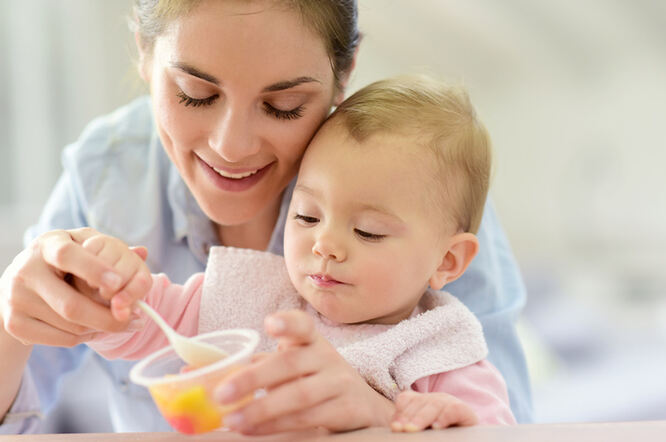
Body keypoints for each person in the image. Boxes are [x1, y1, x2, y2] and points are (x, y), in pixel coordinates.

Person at [0, 0, 531, 435]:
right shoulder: (107, 174)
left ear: (343, 73)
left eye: (284, 105)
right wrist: (32, 317)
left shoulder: (416, 186)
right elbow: (141, 323)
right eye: (195, 94)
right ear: (143, 49)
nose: (230, 147)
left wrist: (381, 418)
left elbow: (504, 426)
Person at [84, 75, 516, 432]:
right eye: (307, 217)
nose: (324, 244)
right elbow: (144, 323)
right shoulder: (254, 296)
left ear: (447, 261)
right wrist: (110, 288)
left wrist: (417, 424)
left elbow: (498, 432)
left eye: (367, 231)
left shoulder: (441, 354)